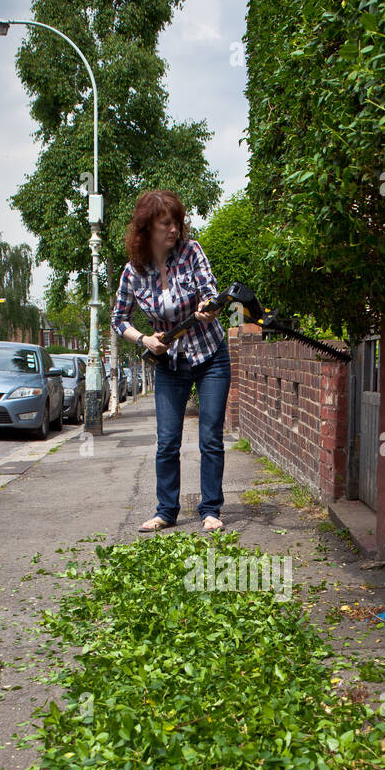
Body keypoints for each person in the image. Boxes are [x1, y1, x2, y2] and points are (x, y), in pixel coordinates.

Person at [111, 189, 231, 533]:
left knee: (210, 436)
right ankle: (166, 510)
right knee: (167, 441)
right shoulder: (133, 272)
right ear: (147, 228)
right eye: (166, 224)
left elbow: (210, 291)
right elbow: (119, 319)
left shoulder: (191, 252)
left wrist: (209, 308)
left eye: (177, 222)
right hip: (170, 362)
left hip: (210, 354)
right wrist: (144, 339)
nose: (174, 229)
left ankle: (210, 510)